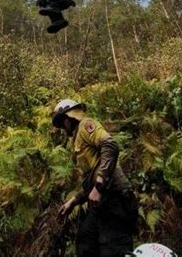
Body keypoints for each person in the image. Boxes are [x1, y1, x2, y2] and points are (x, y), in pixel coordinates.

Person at [52, 98, 138, 257]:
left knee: (112, 250)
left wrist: (98, 187)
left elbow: (110, 146)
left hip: (115, 198)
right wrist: (74, 201)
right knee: (85, 242)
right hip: (101, 201)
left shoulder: (86, 125)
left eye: (63, 123)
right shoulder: (77, 138)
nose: (63, 128)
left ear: (69, 118)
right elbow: (91, 178)